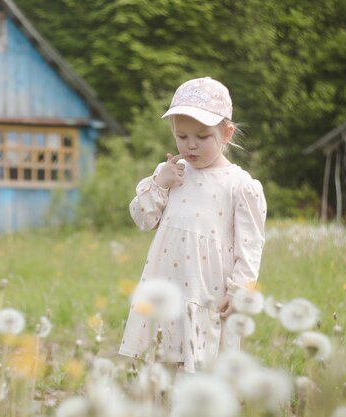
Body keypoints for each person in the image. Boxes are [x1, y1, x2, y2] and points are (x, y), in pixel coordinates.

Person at [118, 77, 267, 373]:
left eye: (202, 136)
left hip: (207, 291)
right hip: (166, 284)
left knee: (202, 368)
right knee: (160, 366)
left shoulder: (240, 185)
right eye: (182, 136)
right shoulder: (173, 173)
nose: (191, 145)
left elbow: (250, 245)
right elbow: (142, 219)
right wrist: (160, 183)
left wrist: (240, 289)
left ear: (226, 134)